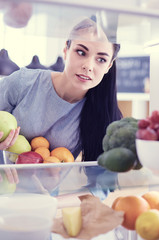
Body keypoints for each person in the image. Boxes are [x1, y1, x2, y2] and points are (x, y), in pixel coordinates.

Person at [0, 18, 122, 196]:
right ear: (66, 50)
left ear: (109, 66)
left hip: (48, 202)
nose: (88, 66)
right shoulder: (23, 82)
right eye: (81, 52)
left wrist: (57, 197)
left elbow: (102, 188)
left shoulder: (104, 114)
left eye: (101, 59)